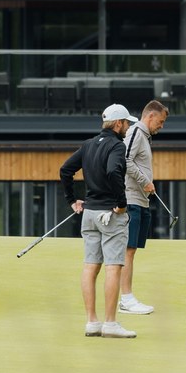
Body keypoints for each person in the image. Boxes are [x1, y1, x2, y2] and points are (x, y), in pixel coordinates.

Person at [60, 103, 135, 339]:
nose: (128, 127)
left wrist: (72, 200)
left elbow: (65, 170)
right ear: (118, 123)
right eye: (126, 123)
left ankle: (92, 322)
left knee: (90, 266)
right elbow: (113, 172)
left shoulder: (89, 144)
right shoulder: (117, 146)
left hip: (90, 214)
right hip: (110, 215)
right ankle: (110, 323)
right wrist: (121, 203)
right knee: (113, 266)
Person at [116, 99, 169, 315]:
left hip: (140, 199)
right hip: (131, 198)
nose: (161, 126)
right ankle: (126, 299)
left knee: (131, 250)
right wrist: (144, 181)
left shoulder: (144, 136)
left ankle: (126, 298)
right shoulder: (137, 132)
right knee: (128, 250)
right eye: (160, 121)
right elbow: (124, 159)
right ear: (150, 116)